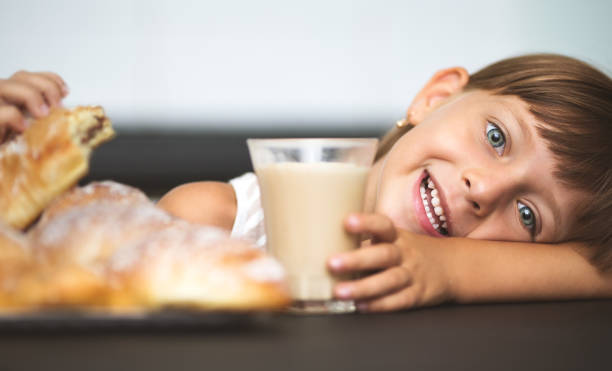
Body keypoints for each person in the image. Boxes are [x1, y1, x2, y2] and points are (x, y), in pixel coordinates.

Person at [158, 53, 612, 312]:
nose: (486, 189)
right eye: (496, 137)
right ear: (434, 99)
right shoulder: (214, 221)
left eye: (528, 214)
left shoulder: (486, 290)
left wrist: (453, 270)